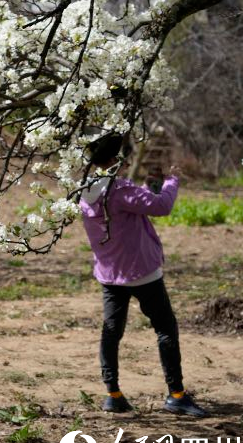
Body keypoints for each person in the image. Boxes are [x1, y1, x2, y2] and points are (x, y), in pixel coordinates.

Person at [80, 134, 207, 416]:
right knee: (165, 328)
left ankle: (113, 394)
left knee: (111, 332)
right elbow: (161, 206)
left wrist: (151, 186)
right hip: (141, 272)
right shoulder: (120, 189)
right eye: (124, 160)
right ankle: (176, 394)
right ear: (115, 161)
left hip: (110, 274)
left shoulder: (86, 191)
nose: (127, 164)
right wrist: (172, 181)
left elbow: (135, 203)